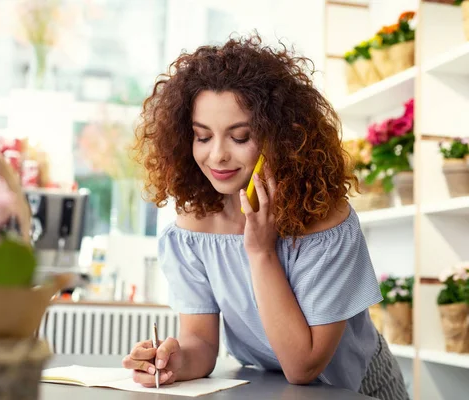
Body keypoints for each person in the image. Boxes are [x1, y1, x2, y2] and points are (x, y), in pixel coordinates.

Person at [123, 34, 409, 400]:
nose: (217, 156)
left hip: (358, 388)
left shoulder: (327, 223)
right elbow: (201, 342)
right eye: (202, 136)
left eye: (240, 137)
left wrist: (261, 251)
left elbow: (303, 366)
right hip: (272, 390)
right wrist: (173, 361)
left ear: (281, 137)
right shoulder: (193, 229)